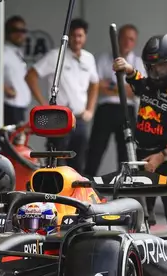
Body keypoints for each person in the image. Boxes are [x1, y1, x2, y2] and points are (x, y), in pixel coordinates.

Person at [112, 33, 167, 236]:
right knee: (137, 215)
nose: (155, 71)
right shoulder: (152, 82)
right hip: (141, 158)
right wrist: (128, 70)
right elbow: (140, 86)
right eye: (151, 67)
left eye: (160, 66)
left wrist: (161, 157)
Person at [25, 18, 99, 173]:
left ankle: (76, 197)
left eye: (80, 36)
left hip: (80, 118)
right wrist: (44, 104)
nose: (77, 39)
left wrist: (90, 109)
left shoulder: (88, 58)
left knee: (79, 162)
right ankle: (55, 196)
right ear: (69, 36)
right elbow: (31, 75)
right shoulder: (56, 56)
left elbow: (95, 83)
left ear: (85, 37)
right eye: (74, 35)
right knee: (56, 161)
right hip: (58, 119)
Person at [85, 24, 145, 178]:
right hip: (105, 108)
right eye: (124, 38)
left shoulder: (138, 63)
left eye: (131, 39)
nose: (127, 42)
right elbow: (97, 85)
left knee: (126, 153)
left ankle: (124, 192)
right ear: (118, 39)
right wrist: (123, 87)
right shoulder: (104, 58)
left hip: (127, 110)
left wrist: (111, 85)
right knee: (95, 150)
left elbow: (137, 90)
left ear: (135, 42)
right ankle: (86, 186)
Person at [3, 16, 32, 126]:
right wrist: (4, 88)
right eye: (15, 30)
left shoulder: (18, 52)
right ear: (7, 32)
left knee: (20, 142)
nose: (20, 34)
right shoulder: (3, 51)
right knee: (11, 141)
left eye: (23, 31)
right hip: (9, 107)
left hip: (20, 107)